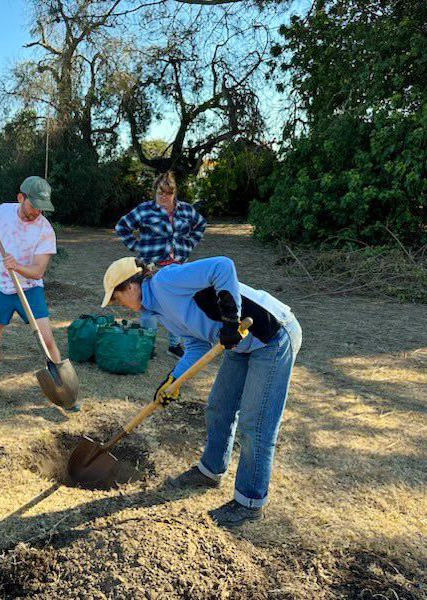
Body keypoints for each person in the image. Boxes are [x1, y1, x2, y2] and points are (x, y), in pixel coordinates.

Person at [100, 256, 302, 527]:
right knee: (219, 407)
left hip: (270, 335)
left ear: (131, 286)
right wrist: (173, 380)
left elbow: (223, 266)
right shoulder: (158, 310)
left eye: (116, 298)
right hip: (238, 344)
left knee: (256, 423)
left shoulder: (165, 282)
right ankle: (210, 471)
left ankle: (249, 503)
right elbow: (195, 345)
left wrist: (231, 320)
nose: (119, 306)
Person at [0, 177, 73, 408]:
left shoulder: (45, 231)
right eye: (33, 205)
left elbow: (37, 272)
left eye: (42, 207)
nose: (37, 212)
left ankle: (62, 388)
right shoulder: (3, 213)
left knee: (47, 340)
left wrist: (17, 266)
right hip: (1, 289)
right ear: (20, 198)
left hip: (30, 291)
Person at [115, 171, 206, 358]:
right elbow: (121, 226)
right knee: (149, 307)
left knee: (177, 306)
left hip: (178, 266)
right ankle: (148, 345)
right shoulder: (145, 210)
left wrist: (188, 245)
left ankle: (174, 345)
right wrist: (137, 246)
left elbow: (200, 224)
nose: (163, 197)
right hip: (152, 266)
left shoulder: (186, 210)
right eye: (159, 193)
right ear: (155, 192)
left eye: (168, 193)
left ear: (174, 193)